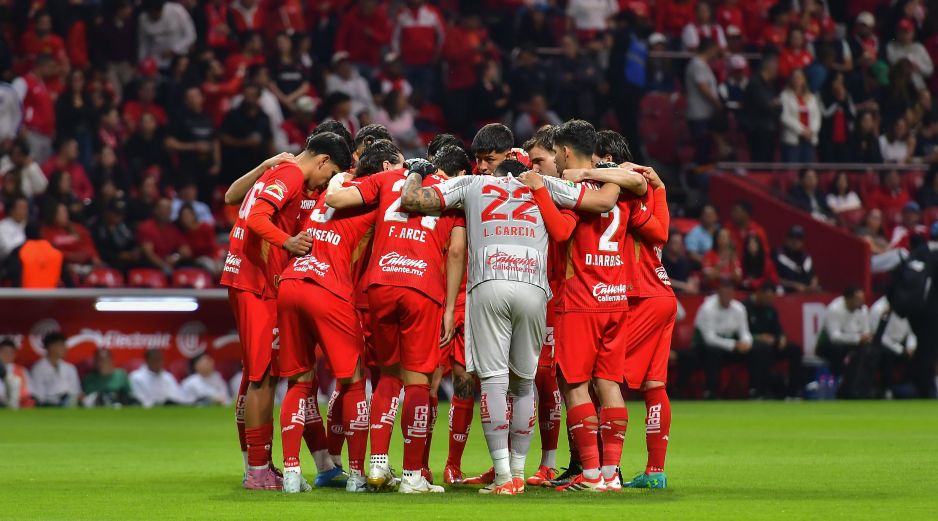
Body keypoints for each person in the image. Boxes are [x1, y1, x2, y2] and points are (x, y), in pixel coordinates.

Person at [400, 120, 623, 495]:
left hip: (489, 283)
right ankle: (520, 472)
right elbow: (604, 201)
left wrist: (415, 173)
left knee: (492, 381)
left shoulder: (471, 184)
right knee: (524, 384)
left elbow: (412, 201)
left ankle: (503, 476)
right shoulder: (544, 183)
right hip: (534, 288)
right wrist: (609, 171)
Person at [325, 141, 467, 494]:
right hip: (421, 287)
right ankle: (412, 475)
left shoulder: (386, 179)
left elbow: (337, 200)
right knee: (418, 380)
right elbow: (458, 252)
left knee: (388, 374)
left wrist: (339, 176)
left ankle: (377, 465)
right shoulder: (453, 191)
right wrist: (450, 308)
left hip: (380, 284)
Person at [524, 122, 650, 492]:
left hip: (581, 299)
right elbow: (639, 184)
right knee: (609, 384)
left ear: (563, 152)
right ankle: (611, 474)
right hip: (616, 299)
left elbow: (562, 232)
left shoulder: (572, 189)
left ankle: (592, 473)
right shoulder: (619, 183)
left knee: (574, 385)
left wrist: (541, 193)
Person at [222, 135, 350, 492]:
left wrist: (264, 166)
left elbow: (233, 196)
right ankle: (257, 470)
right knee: (263, 377)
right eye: (332, 173)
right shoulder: (293, 175)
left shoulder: (280, 170)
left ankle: (258, 464)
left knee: (256, 374)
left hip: (244, 275)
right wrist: (288, 242)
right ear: (323, 161)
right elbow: (258, 218)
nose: (327, 182)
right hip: (256, 281)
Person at [565, 159, 676, 489]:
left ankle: (596, 469)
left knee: (599, 381)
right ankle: (654, 471)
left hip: (636, 294)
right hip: (662, 292)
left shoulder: (619, 193)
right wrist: (661, 189)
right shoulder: (640, 189)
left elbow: (658, 232)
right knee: (653, 386)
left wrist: (589, 174)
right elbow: (661, 231)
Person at [693, 281, 754, 399]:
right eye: (724, 293)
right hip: (704, 348)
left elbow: (744, 332)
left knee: (757, 350)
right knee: (713, 352)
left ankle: (754, 390)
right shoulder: (708, 309)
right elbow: (709, 339)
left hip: (730, 348)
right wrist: (734, 345)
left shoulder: (739, 308)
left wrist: (747, 343)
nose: (727, 296)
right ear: (719, 293)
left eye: (730, 293)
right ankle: (710, 391)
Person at [745, 282, 803, 399]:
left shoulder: (771, 309)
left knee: (795, 350)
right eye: (767, 297)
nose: (769, 301)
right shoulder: (744, 308)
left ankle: (793, 391)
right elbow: (741, 332)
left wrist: (781, 337)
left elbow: (778, 329)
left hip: (772, 343)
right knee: (762, 350)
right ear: (759, 293)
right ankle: (759, 391)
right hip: (752, 344)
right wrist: (759, 337)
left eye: (771, 298)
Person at [816, 287, 871, 381]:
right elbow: (834, 337)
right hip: (827, 344)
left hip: (852, 342)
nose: (862, 302)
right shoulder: (834, 309)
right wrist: (858, 339)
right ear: (848, 299)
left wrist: (866, 338)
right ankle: (839, 381)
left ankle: (862, 383)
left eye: (862, 299)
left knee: (869, 350)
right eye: (858, 299)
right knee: (838, 350)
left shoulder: (863, 309)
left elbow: (866, 331)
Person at [684, 38, 723, 164]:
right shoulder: (697, 65)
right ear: (710, 49)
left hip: (705, 114)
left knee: (706, 149)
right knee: (702, 150)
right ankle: (698, 179)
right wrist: (717, 103)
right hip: (698, 115)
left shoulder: (702, 65)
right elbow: (703, 87)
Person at [869, 296, 915, 399]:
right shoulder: (878, 309)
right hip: (883, 345)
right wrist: (901, 350)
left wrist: (910, 347)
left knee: (923, 353)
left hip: (904, 344)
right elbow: (879, 336)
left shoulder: (907, 306)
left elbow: (912, 331)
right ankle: (887, 389)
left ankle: (915, 388)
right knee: (887, 355)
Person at [743, 53, 781, 162]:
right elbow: (764, 106)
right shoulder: (755, 83)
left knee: (769, 160)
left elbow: (778, 105)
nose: (777, 71)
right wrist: (773, 105)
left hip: (769, 129)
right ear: (769, 67)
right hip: (757, 130)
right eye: (776, 68)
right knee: (760, 160)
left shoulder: (770, 85)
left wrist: (774, 105)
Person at [137, 0, 197, 69]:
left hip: (178, 60)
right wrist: (141, 63)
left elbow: (191, 35)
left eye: (157, 12)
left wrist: (174, 50)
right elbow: (143, 45)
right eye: (151, 13)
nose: (154, 15)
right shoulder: (142, 19)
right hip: (156, 62)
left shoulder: (177, 10)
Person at [136, 198, 190, 275]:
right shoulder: (147, 227)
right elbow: (148, 254)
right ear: (156, 210)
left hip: (170, 267)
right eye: (163, 209)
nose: (166, 212)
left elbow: (186, 251)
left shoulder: (174, 229)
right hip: (151, 268)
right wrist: (164, 266)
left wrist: (175, 257)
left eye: (168, 209)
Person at [30, 332, 81, 407]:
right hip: (47, 407)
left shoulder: (70, 368)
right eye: (61, 345)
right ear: (50, 347)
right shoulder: (38, 368)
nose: (65, 348)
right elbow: (38, 395)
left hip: (70, 405)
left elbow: (76, 391)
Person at [780, 69, 821, 163]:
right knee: (792, 171)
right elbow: (784, 117)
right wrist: (802, 130)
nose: (797, 80)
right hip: (793, 139)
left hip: (809, 138)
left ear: (804, 80)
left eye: (800, 77)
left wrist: (811, 131)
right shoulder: (785, 96)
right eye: (795, 77)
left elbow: (817, 117)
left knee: (808, 170)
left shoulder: (812, 97)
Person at [885, 19, 933, 91]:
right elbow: (892, 63)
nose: (903, 35)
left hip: (918, 87)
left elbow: (929, 70)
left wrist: (918, 66)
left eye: (906, 32)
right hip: (898, 87)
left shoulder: (919, 47)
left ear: (912, 33)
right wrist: (905, 64)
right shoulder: (891, 46)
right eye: (900, 31)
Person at [774, 225, 820, 293]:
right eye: (792, 237)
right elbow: (774, 278)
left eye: (798, 238)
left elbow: (813, 276)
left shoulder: (806, 258)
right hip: (787, 290)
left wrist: (814, 283)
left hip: (806, 291)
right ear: (787, 239)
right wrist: (794, 285)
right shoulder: (778, 255)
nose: (794, 241)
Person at [1, 339, 34, 409]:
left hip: (20, 405)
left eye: (11, 352)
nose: (7, 354)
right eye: (5, 351)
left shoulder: (22, 370)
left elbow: (29, 391)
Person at [0, 196, 29, 261]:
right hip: (9, 263)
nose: (25, 211)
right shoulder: (3, 227)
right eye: (21, 208)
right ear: (11, 210)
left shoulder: (29, 226)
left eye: (25, 208)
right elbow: (8, 249)